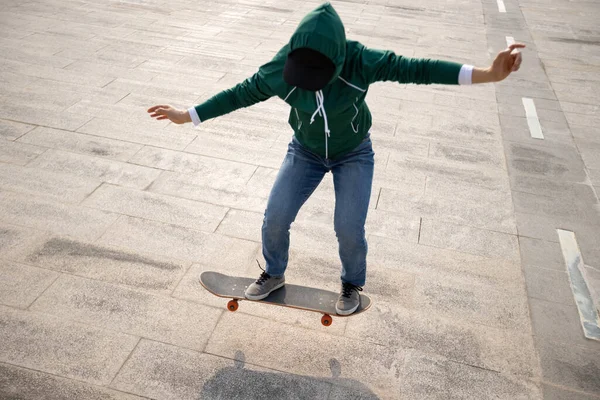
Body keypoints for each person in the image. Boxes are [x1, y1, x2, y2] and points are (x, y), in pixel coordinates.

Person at [148, 2, 524, 315]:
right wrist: (190, 114)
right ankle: (273, 272)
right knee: (275, 215)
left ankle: (351, 283)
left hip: (354, 154)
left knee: (348, 227)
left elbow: (418, 69)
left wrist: (489, 74)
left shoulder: (362, 61)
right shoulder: (281, 67)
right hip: (305, 150)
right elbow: (241, 93)